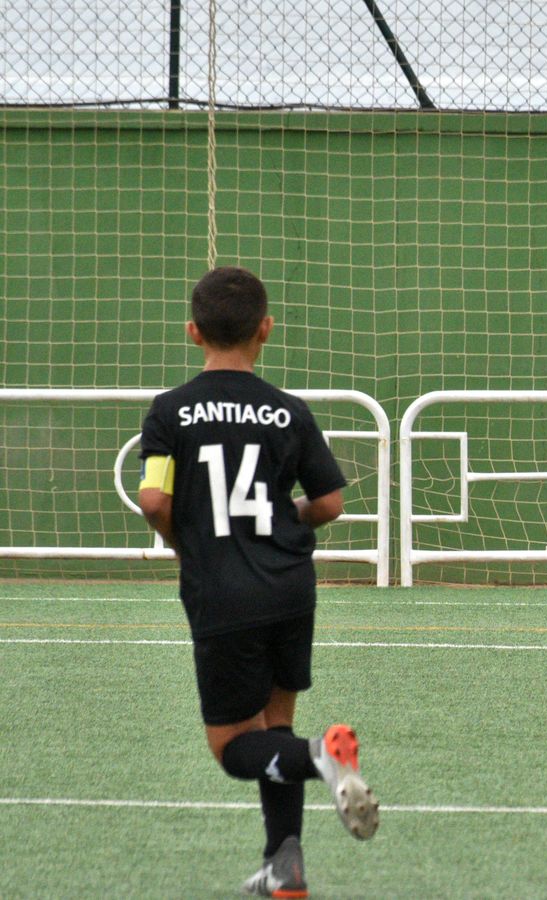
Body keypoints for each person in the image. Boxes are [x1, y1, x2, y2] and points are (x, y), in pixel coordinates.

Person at [138, 267, 378, 897]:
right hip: (290, 585)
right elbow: (329, 504)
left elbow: (154, 499)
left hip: (223, 590)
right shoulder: (288, 411)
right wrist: (282, 515)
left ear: (193, 332)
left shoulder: (169, 412)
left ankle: (321, 758)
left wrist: (187, 543)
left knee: (232, 748)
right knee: (274, 727)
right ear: (265, 329)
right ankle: (283, 863)